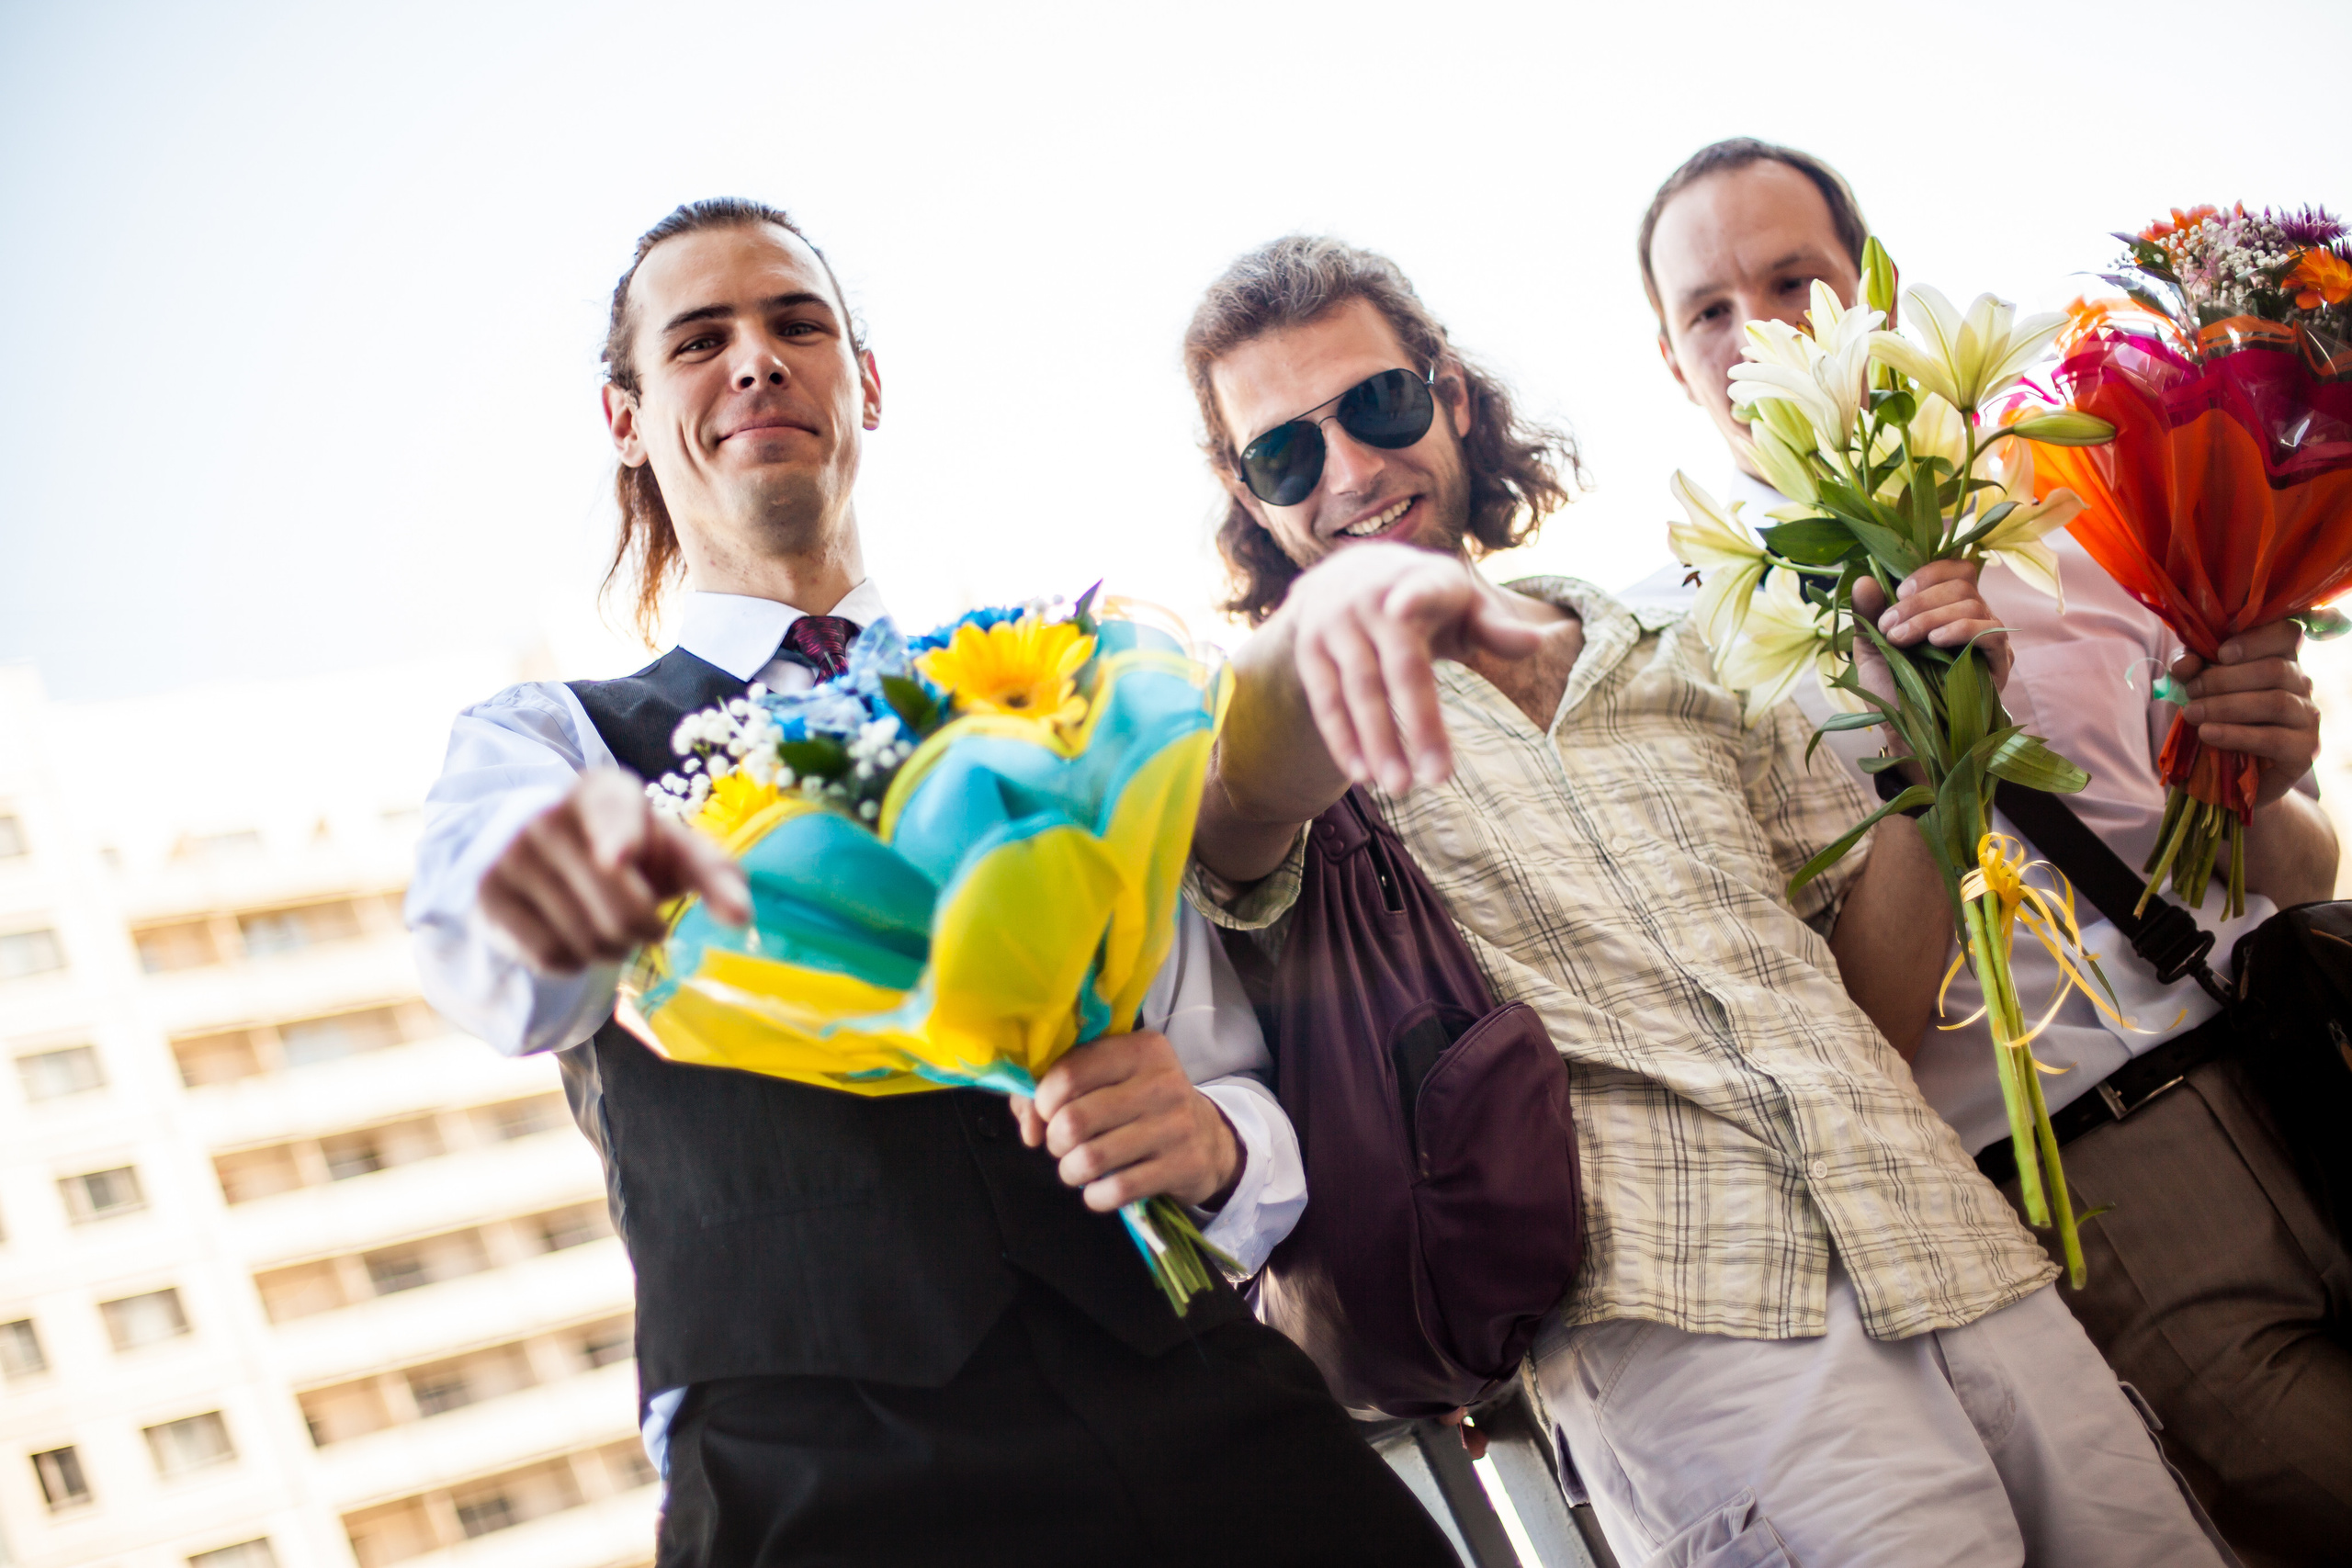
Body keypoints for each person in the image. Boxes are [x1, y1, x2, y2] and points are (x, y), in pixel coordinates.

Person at [405, 198, 1455, 1568]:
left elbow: (1230, 1070)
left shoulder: (1051, 699)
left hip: (1195, 1407)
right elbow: (490, 968)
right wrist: (567, 885)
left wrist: (1212, 1139)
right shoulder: (550, 746)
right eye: (699, 339)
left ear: (867, 382)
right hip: (821, 1480)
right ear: (626, 417)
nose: (757, 362)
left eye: (799, 324)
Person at [1180, 232, 2237, 1566]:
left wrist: (1930, 748)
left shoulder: (1679, 650)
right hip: (1687, 1333)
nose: (1346, 472)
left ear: (1447, 390)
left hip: (1955, 1252)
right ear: (1247, 493)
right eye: (1285, 454)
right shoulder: (1276, 730)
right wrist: (1326, 634)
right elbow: (1241, 820)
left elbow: (1871, 1004)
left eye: (1376, 406)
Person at [1639, 136, 2351, 1566]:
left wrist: (2266, 768)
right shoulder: (1691, 658)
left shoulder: (2086, 522)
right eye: (1707, 310)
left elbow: (2295, 874)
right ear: (1669, 362)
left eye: (1795, 278)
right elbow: (1855, 1037)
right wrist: (1926, 767)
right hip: (2102, 1180)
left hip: (2306, 1070)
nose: (1758, 329)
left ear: (1876, 295)